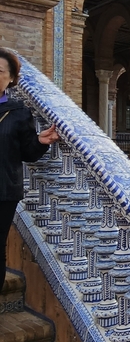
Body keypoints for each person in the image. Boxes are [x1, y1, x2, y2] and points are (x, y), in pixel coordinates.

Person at [0, 48, 59, 291]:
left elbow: (27, 152)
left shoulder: (18, 112)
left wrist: (40, 142)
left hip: (4, 191)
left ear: (11, 78)